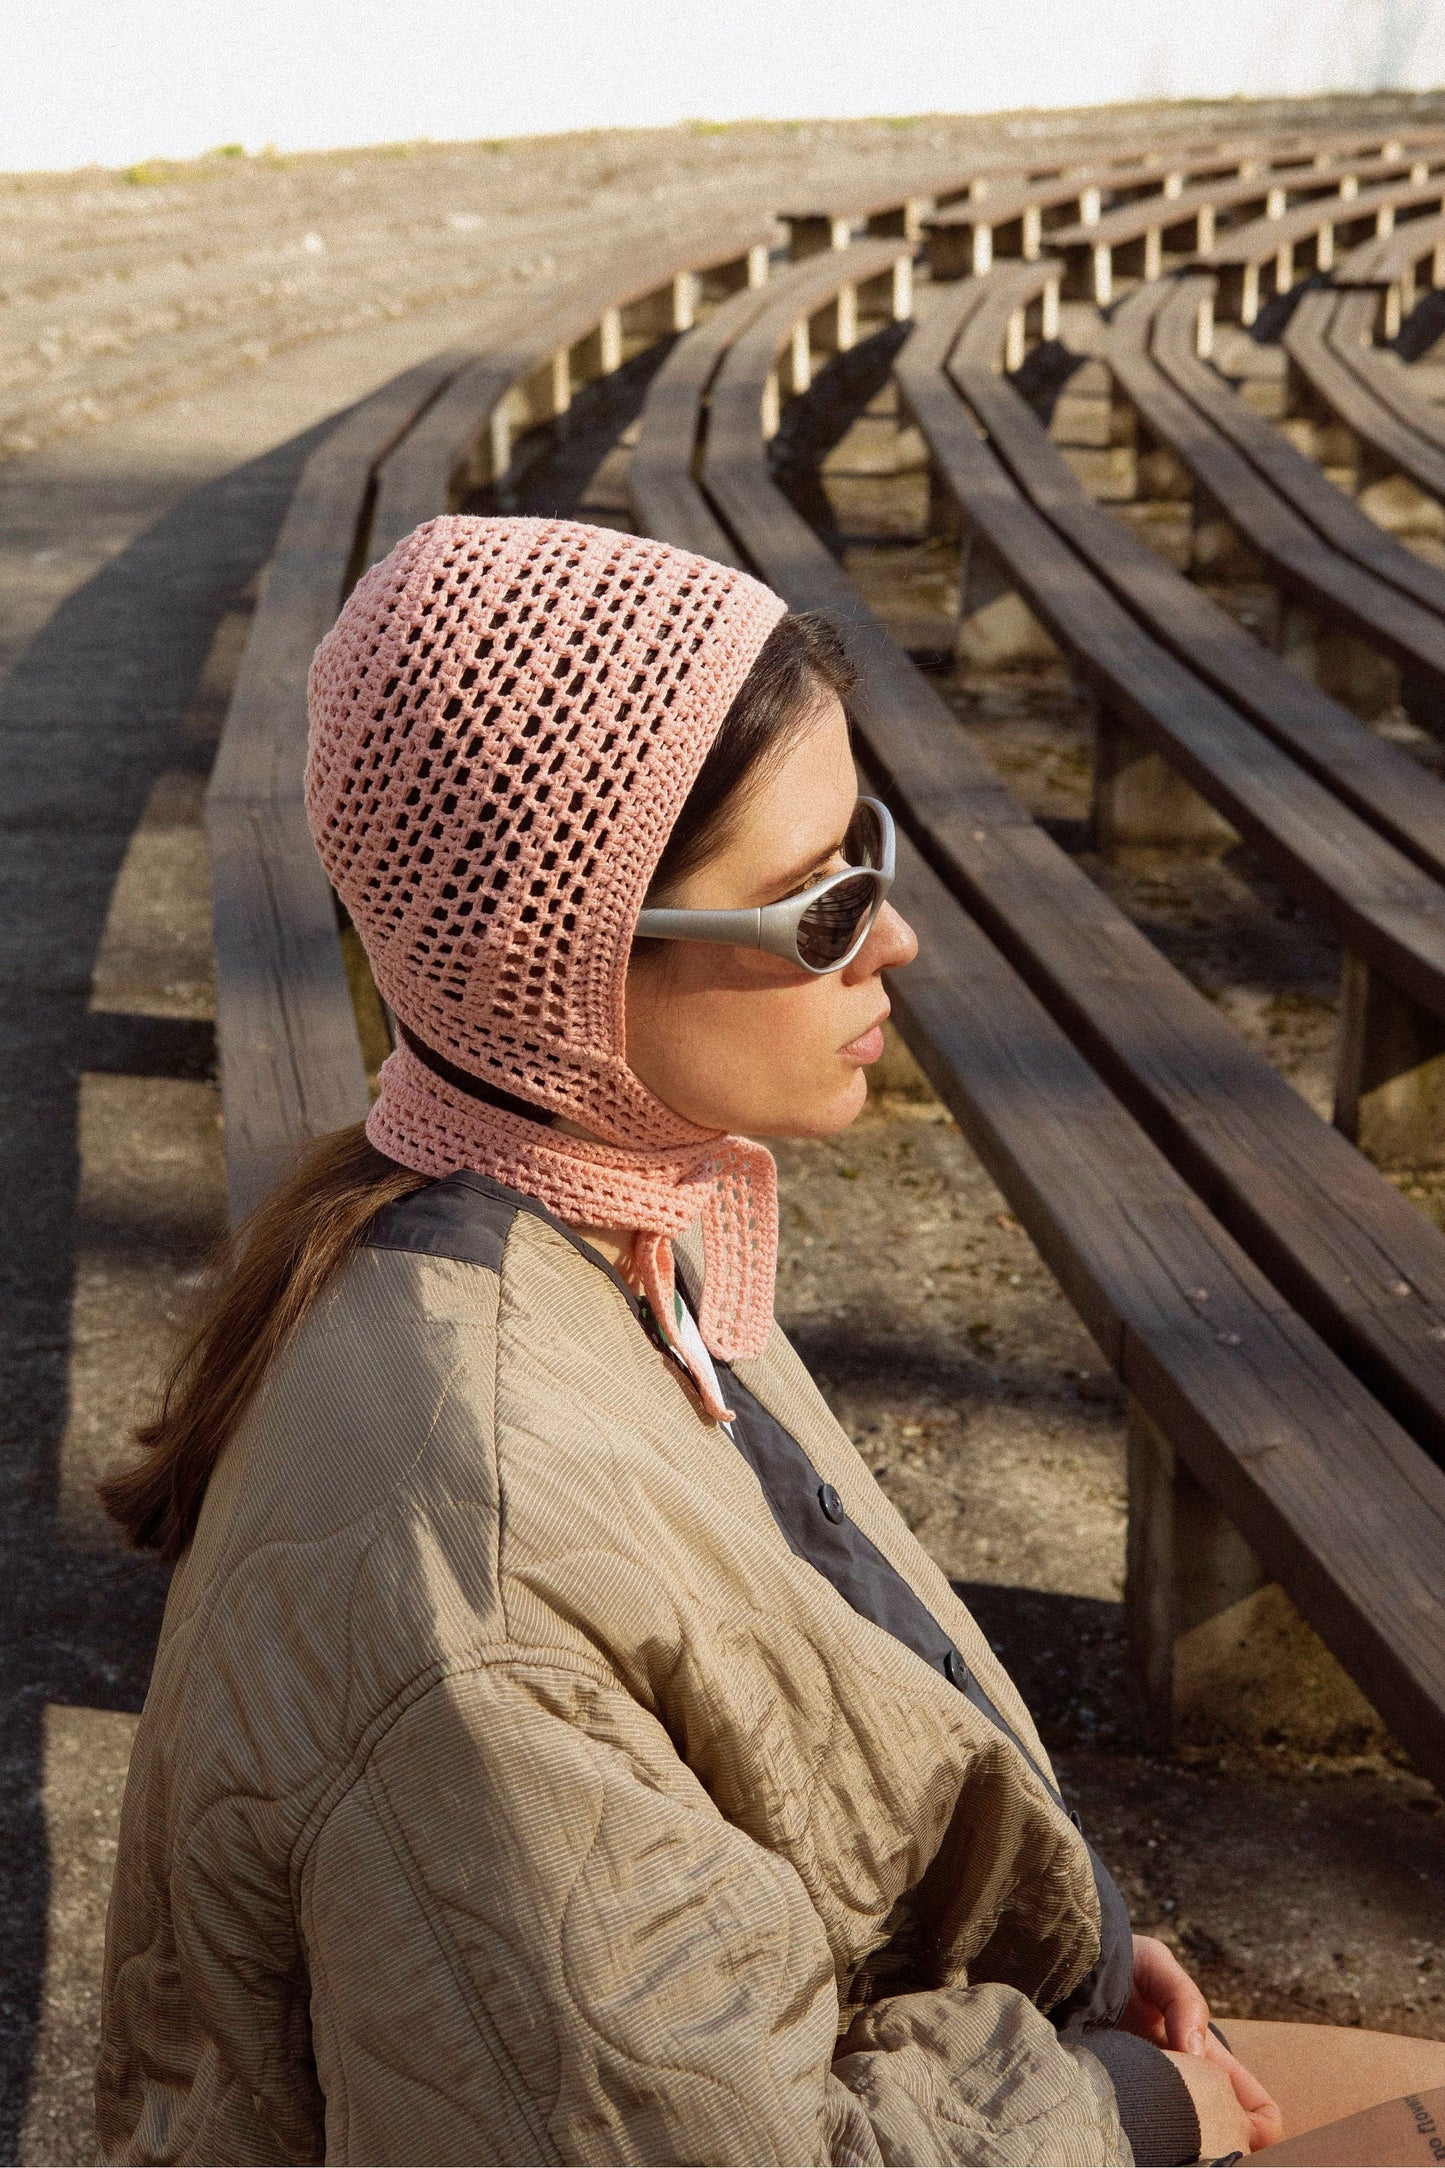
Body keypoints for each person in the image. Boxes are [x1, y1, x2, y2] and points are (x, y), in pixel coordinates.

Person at [95, 517, 1445, 2165]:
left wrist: (1076, 1948)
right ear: (557, 963)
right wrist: (1114, 2096)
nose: (894, 938)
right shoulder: (481, 1555)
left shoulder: (594, 1219)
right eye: (811, 910)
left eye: (865, 844)